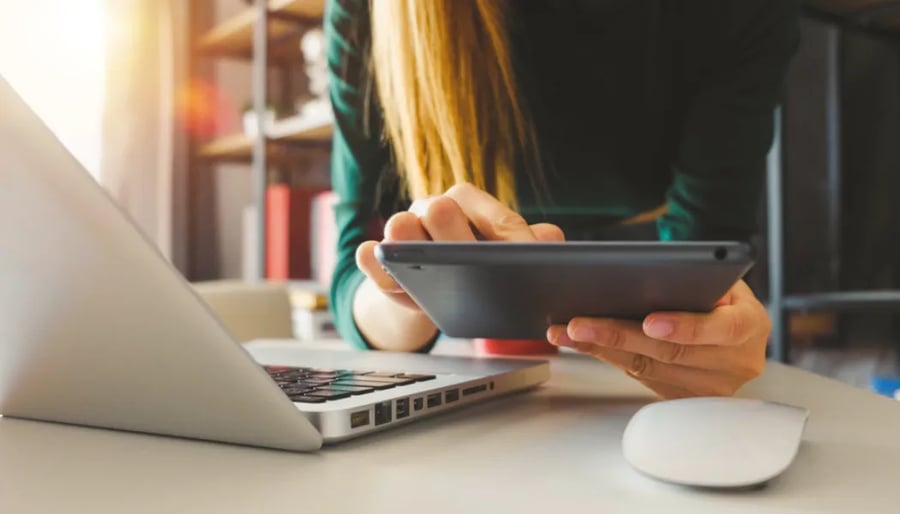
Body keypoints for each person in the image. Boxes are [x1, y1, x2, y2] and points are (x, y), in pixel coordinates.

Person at [324, 0, 799, 399]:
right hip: (460, 334)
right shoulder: (370, 11)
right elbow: (353, 275)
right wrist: (410, 291)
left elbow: (712, 239)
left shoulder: (741, 11)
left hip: (635, 320)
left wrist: (707, 334)